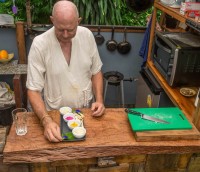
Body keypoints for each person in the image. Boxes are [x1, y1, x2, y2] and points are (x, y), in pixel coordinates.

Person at [26, 0, 105, 142]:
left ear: (78, 21)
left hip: (86, 111)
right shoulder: (40, 44)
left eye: (70, 29)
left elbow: (96, 71)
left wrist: (99, 100)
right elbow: (33, 89)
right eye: (60, 29)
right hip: (54, 114)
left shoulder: (87, 35)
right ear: (52, 20)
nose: (66, 34)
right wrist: (46, 121)